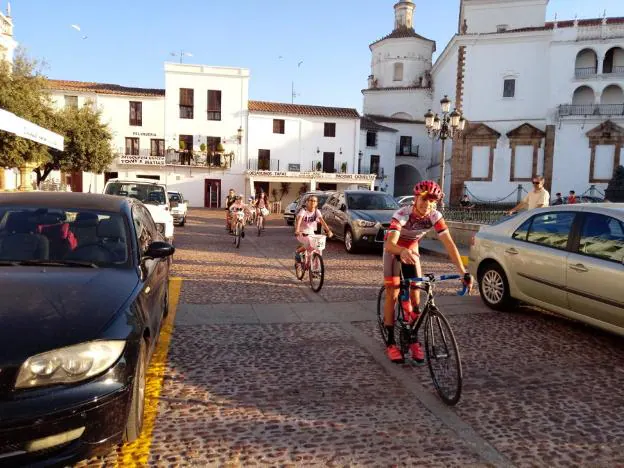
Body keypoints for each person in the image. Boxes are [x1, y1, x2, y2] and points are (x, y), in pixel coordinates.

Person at [383, 180, 472, 363]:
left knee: (416, 300)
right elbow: (390, 244)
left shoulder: (434, 216)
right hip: (394, 250)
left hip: (412, 248)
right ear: (415, 198)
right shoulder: (402, 214)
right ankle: (391, 343)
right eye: (424, 200)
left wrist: (463, 272)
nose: (427, 205)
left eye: (432, 202)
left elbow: (450, 245)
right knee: (393, 292)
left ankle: (412, 336)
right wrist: (402, 251)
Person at [294, 195, 333, 261]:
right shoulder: (303, 211)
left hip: (311, 232)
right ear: (307, 202)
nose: (313, 202)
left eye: (315, 201)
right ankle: (297, 251)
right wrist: (297, 230)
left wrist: (328, 231)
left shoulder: (317, 211)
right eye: (311, 200)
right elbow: (299, 220)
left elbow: (322, 221)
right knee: (309, 243)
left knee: (318, 246)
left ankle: (316, 264)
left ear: (317, 203)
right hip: (301, 232)